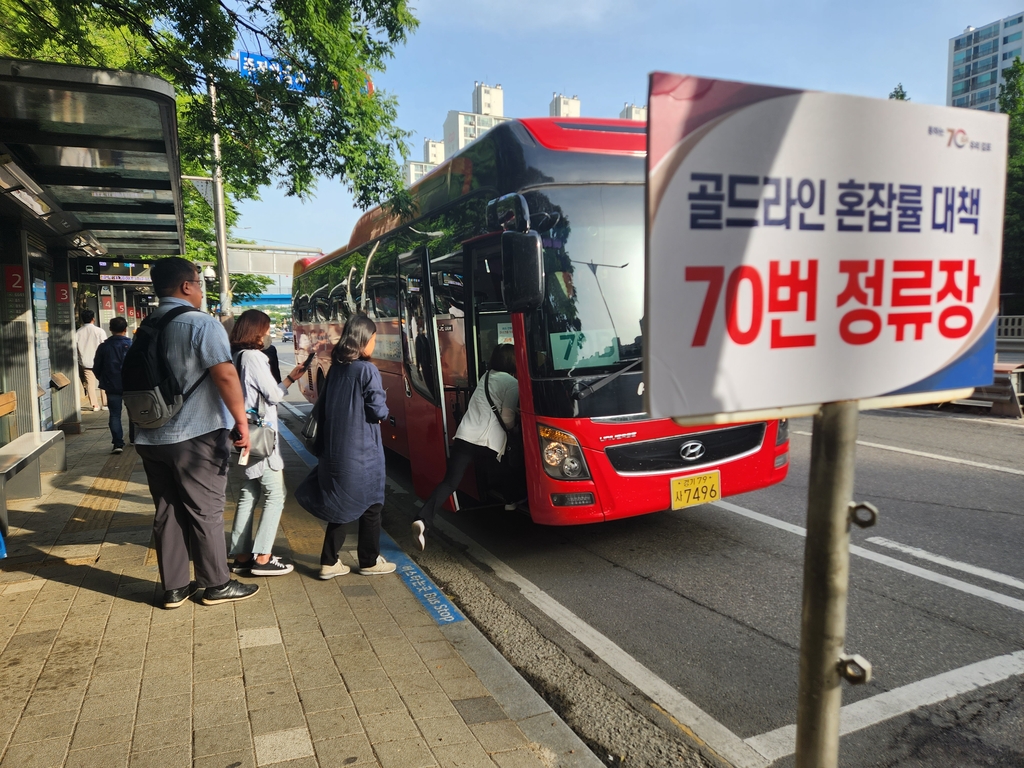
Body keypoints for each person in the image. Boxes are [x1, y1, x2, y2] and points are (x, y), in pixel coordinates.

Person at [133, 256, 259, 609]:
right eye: (200, 285)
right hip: (195, 435)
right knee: (206, 510)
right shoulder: (200, 324)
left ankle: (174, 588)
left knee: (167, 510)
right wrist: (241, 422)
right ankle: (217, 584)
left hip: (150, 434)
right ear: (186, 286)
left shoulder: (148, 325)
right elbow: (225, 375)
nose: (201, 292)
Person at [295, 314, 396, 578]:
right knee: (372, 505)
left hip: (335, 449)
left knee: (342, 503)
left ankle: (329, 562)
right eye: (374, 338)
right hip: (363, 452)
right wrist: (385, 404)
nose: (375, 343)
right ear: (365, 340)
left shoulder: (337, 367)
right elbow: (378, 410)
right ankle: (369, 561)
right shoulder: (367, 370)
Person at [412, 344, 519, 551]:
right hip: (487, 442)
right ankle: (511, 501)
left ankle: (423, 519)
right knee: (510, 465)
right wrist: (514, 430)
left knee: (449, 483)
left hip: (464, 437)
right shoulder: (512, 383)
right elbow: (507, 419)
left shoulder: (486, 376)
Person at [228, 310, 306, 577]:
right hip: (261, 439)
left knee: (247, 494)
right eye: (265, 329)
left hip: (241, 435)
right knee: (276, 495)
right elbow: (272, 396)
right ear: (256, 331)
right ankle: (263, 557)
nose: (267, 335)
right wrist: (283, 384)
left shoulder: (235, 356)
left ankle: (240, 556)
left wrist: (290, 379)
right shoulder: (254, 357)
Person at [93, 316, 132, 454]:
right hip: (130, 385)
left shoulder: (104, 347)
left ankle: (117, 443)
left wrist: (103, 378)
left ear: (110, 329)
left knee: (115, 415)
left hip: (111, 385)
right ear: (125, 329)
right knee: (133, 412)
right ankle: (133, 438)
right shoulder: (132, 345)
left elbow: (96, 367)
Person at [75, 309, 108, 412]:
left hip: (86, 362)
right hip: (100, 361)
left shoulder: (78, 332)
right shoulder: (99, 331)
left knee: (90, 384)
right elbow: (104, 345)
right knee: (103, 382)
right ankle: (105, 404)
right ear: (93, 319)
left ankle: (95, 405)